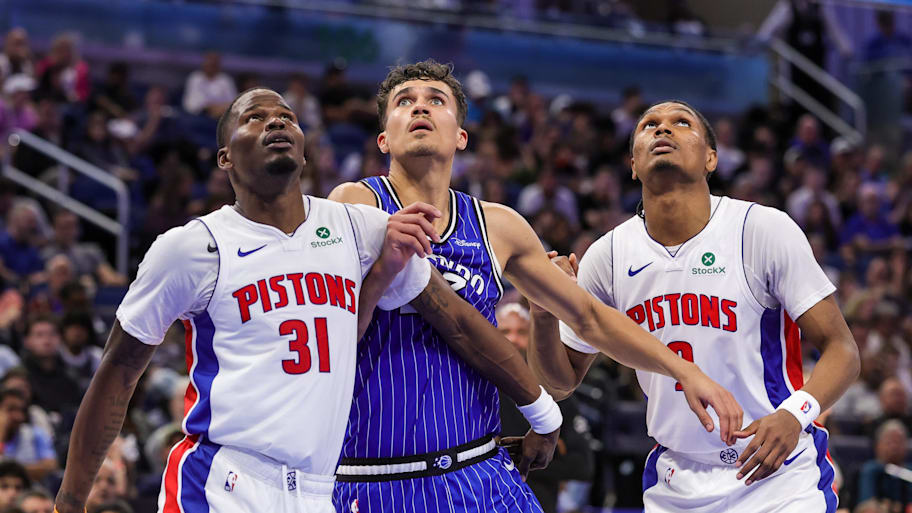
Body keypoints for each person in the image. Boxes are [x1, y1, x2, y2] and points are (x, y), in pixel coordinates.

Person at [54, 87, 565, 513]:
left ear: (304, 151)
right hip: (224, 481)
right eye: (254, 118)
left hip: (321, 492)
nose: (276, 122)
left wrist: (542, 411)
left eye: (287, 117)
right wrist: (70, 502)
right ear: (225, 156)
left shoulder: (360, 229)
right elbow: (118, 373)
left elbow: (457, 320)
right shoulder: (193, 247)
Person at [329, 60, 741, 512]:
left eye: (435, 100)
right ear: (384, 138)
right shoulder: (354, 204)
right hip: (377, 476)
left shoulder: (498, 225)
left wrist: (684, 371)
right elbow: (331, 335)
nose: (420, 107)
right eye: (404, 101)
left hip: (481, 474)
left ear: (461, 136)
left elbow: (588, 316)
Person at [534, 100, 860, 512]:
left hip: (776, 472)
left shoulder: (762, 229)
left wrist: (795, 415)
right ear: (633, 164)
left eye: (681, 122)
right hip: (677, 478)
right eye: (649, 125)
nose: (662, 129)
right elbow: (559, 382)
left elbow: (843, 350)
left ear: (711, 158)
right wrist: (542, 312)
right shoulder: (608, 255)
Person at [0, 388, 57, 481]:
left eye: (21, 410)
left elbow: (50, 466)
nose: (18, 416)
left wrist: (11, 470)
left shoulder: (35, 433)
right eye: (11, 409)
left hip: (29, 487)